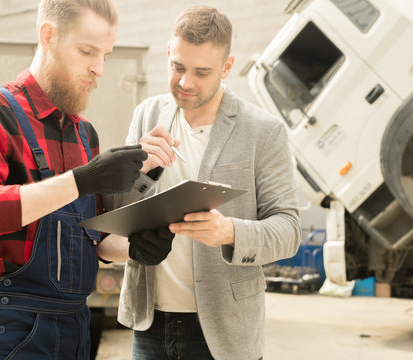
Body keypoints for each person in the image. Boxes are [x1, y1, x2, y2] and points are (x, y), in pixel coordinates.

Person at [0, 1, 174, 359]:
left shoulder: (85, 136)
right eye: (87, 51)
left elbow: (93, 244)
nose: (98, 69)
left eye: (105, 56)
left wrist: (135, 249)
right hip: (13, 332)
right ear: (48, 36)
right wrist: (82, 180)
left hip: (77, 327)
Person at [97, 5, 302, 360]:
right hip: (150, 323)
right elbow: (115, 216)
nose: (185, 82)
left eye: (202, 72)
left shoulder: (263, 131)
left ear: (227, 67)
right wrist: (139, 172)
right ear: (168, 53)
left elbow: (289, 231)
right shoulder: (146, 114)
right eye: (177, 67)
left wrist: (230, 232)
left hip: (226, 332)